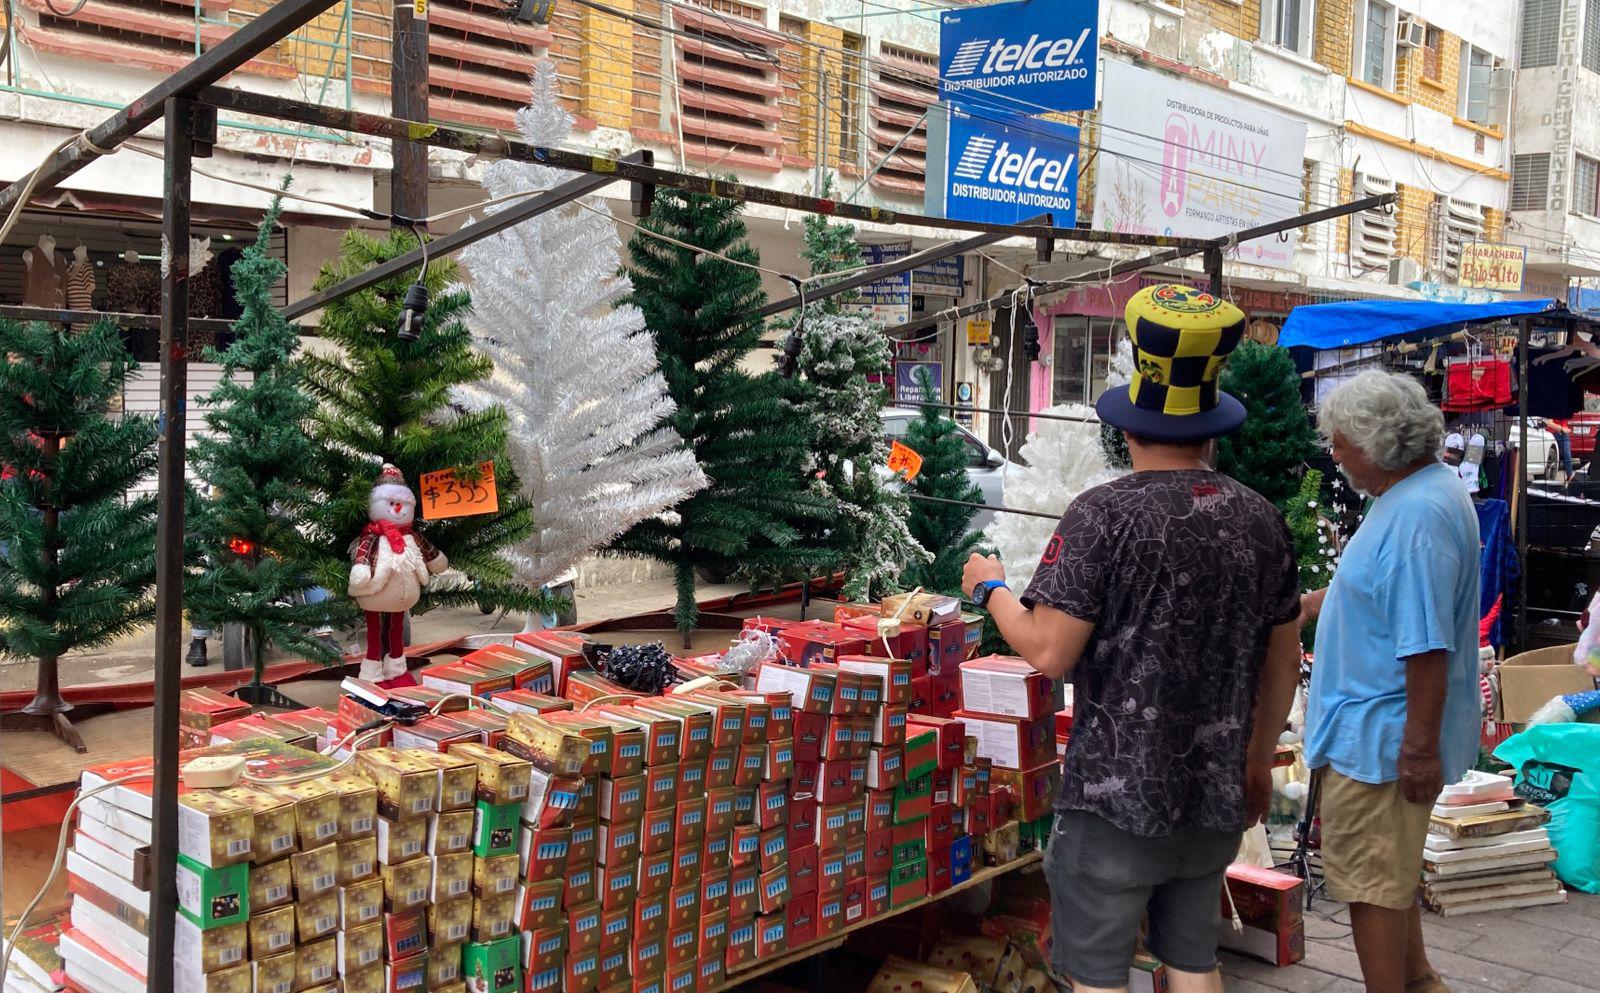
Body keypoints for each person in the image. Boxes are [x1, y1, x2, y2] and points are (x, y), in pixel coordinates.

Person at [962, 284, 1304, 993]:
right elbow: (1283, 657)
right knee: (1192, 958)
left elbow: (1050, 649)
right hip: (1212, 798)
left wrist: (990, 587)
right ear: (1210, 430)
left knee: (1096, 974)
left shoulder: (1102, 516)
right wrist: (1256, 759)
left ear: (1128, 429)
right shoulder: (1261, 520)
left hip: (1114, 804)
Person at [1300, 370, 1480, 993]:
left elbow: (1425, 644)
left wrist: (1419, 750)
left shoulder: (1416, 519)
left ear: (1378, 442)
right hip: (1375, 732)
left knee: (1370, 885)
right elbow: (1382, 594)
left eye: (1341, 442)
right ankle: (1420, 981)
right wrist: (1312, 603)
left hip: (1381, 742)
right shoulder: (1418, 494)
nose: (1335, 454)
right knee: (1389, 877)